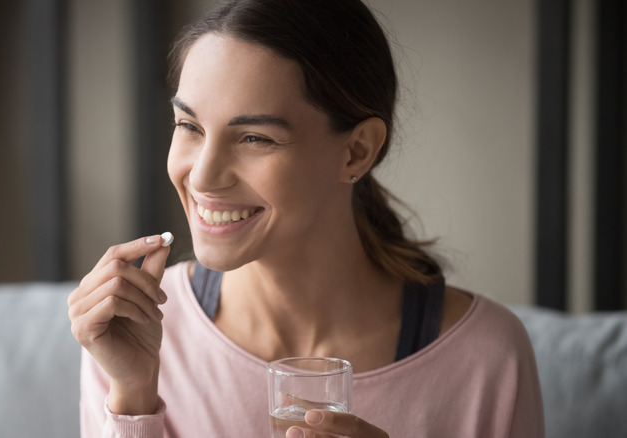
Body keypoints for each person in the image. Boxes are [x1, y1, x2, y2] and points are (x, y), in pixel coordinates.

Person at [67, 0, 545, 436]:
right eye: (189, 126)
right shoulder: (130, 331)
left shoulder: (487, 359)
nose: (204, 176)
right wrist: (133, 398)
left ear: (357, 152)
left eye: (255, 138)